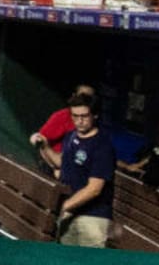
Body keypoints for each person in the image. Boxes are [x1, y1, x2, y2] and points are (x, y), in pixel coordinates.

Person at [35, 92, 115, 248]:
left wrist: (65, 206)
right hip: (71, 212)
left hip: (92, 218)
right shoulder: (71, 136)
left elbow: (94, 189)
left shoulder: (102, 146)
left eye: (84, 116)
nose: (79, 121)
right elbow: (62, 162)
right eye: (75, 116)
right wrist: (45, 146)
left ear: (95, 115)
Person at [29, 84, 96, 157]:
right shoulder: (63, 116)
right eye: (81, 97)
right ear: (74, 96)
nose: (84, 102)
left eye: (88, 99)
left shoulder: (95, 120)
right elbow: (41, 138)